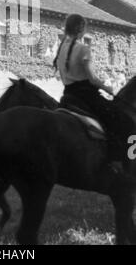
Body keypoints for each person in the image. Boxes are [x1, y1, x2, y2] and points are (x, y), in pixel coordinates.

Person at [53, 13, 131, 171]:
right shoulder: (83, 49)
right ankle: (117, 160)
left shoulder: (61, 47)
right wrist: (109, 88)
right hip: (86, 95)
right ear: (81, 28)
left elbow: (62, 75)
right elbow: (93, 79)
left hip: (68, 94)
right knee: (122, 120)